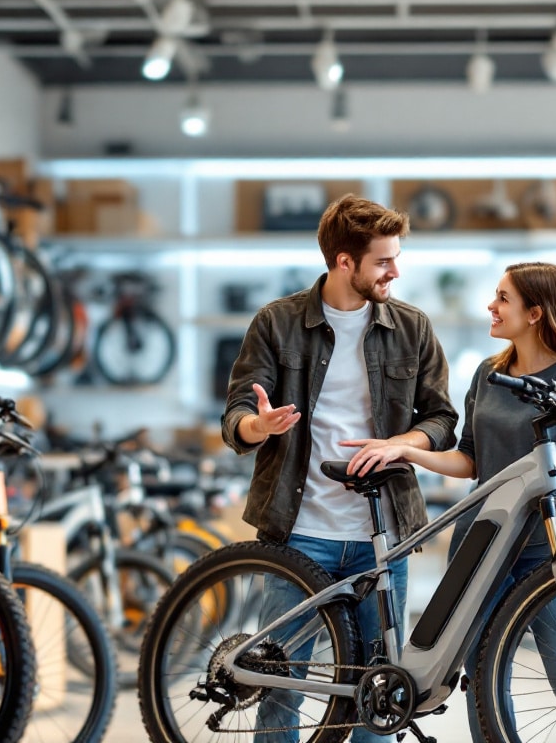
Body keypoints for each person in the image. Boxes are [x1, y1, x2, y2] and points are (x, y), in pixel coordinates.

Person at [220, 193, 459, 743]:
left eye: (396, 257)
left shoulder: (412, 328)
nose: (395, 271)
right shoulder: (277, 323)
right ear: (343, 262)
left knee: (379, 693)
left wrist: (403, 443)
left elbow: (442, 417)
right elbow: (235, 414)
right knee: (281, 684)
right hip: (297, 535)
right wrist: (260, 427)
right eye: (382, 260)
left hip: (382, 538)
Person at [344, 261, 556, 743]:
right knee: (479, 676)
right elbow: (469, 460)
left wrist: (548, 500)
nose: (491, 305)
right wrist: (409, 450)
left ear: (535, 313)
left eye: (503, 298)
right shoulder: (490, 373)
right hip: (483, 540)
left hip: (542, 548)